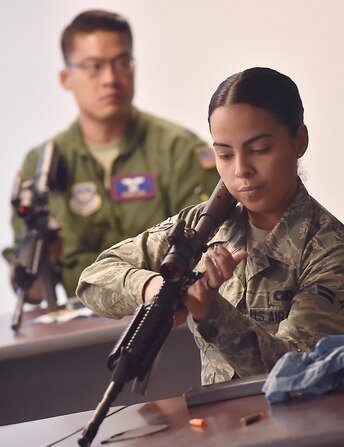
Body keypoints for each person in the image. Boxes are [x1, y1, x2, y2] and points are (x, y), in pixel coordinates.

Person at [76, 67, 344, 386]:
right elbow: (93, 279)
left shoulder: (329, 249)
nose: (242, 170)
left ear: (298, 140)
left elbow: (298, 369)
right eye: (225, 154)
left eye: (260, 149)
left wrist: (210, 312)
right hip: (216, 426)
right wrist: (150, 288)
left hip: (300, 430)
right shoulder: (199, 227)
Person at [2, 9, 219, 302]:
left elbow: (212, 256)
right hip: (78, 332)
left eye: (122, 63)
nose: (110, 79)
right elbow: (32, 293)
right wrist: (42, 260)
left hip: (166, 317)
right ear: (66, 78)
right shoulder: (40, 166)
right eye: (94, 66)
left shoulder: (179, 151)